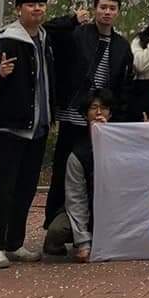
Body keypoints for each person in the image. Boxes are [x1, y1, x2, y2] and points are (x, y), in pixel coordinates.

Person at [44, 0, 132, 231]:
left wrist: (117, 116)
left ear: (118, 12)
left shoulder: (122, 45)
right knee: (63, 167)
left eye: (112, 8)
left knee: (97, 170)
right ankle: (54, 224)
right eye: (103, 7)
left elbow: (123, 84)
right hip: (74, 112)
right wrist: (71, 20)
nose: (107, 12)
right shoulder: (78, 34)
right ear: (95, 9)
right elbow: (49, 31)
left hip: (102, 117)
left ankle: (94, 225)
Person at [0, 0, 54, 269]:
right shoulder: (7, 41)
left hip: (38, 126)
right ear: (18, 9)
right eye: (30, 5)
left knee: (26, 188)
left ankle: (14, 242)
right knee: (4, 188)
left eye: (41, 4)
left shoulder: (45, 39)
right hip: (11, 125)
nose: (37, 9)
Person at [43, 90, 112, 262]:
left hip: (111, 209)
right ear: (85, 114)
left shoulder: (122, 145)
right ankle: (76, 240)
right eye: (93, 108)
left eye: (104, 108)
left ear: (110, 114)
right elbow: (76, 198)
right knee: (57, 231)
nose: (99, 113)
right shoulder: (77, 153)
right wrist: (83, 243)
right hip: (85, 208)